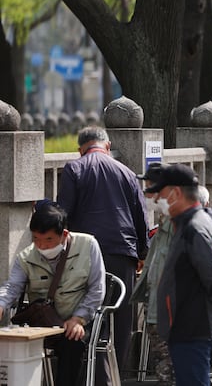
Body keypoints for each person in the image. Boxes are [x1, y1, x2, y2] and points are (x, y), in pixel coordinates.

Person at [57, 126, 150, 370]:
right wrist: (142, 252)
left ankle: (91, 372)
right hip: (123, 251)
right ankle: (117, 373)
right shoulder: (127, 172)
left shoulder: (74, 168)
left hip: (84, 255)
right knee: (121, 315)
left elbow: (62, 214)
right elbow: (141, 216)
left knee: (89, 311)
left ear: (80, 150)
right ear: (107, 146)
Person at [148, 163, 212, 386]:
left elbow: (211, 271)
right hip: (184, 325)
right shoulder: (185, 223)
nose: (157, 199)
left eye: (161, 193)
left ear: (176, 193)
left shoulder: (194, 226)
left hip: (192, 327)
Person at [0, 203, 106, 386]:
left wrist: (78, 318)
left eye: (48, 240)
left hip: (79, 320)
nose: (41, 245)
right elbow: (12, 287)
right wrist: (1, 304)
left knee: (72, 342)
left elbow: (97, 289)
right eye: (36, 239)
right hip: (43, 323)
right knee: (12, 342)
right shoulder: (26, 257)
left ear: (64, 234)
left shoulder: (88, 245)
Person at [130, 162, 175, 384]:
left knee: (172, 369)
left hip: (171, 312)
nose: (147, 194)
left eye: (150, 188)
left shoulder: (182, 224)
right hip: (157, 308)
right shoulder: (164, 223)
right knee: (164, 367)